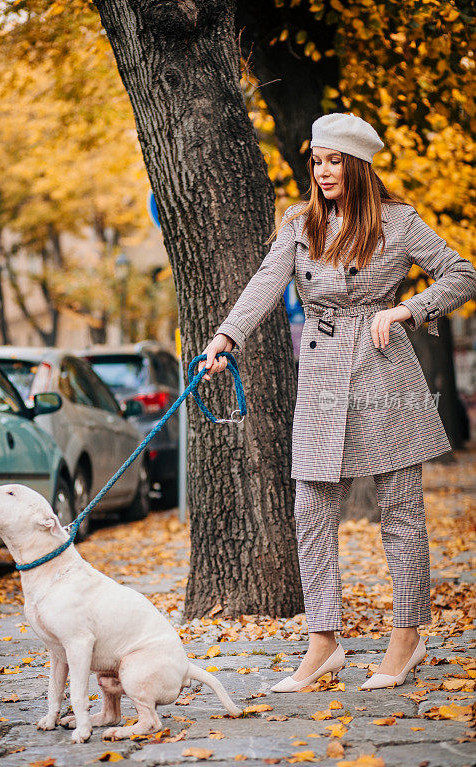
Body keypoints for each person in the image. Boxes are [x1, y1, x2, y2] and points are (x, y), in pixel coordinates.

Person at [199, 112, 476, 691]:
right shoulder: (300, 224)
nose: (322, 172)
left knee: (399, 512)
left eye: (333, 161)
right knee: (312, 511)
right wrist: (226, 338)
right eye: (316, 161)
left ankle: (408, 635)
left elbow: (462, 272)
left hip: (384, 374)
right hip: (322, 377)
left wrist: (406, 309)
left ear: (357, 164)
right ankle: (323, 640)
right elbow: (264, 285)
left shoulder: (398, 222)